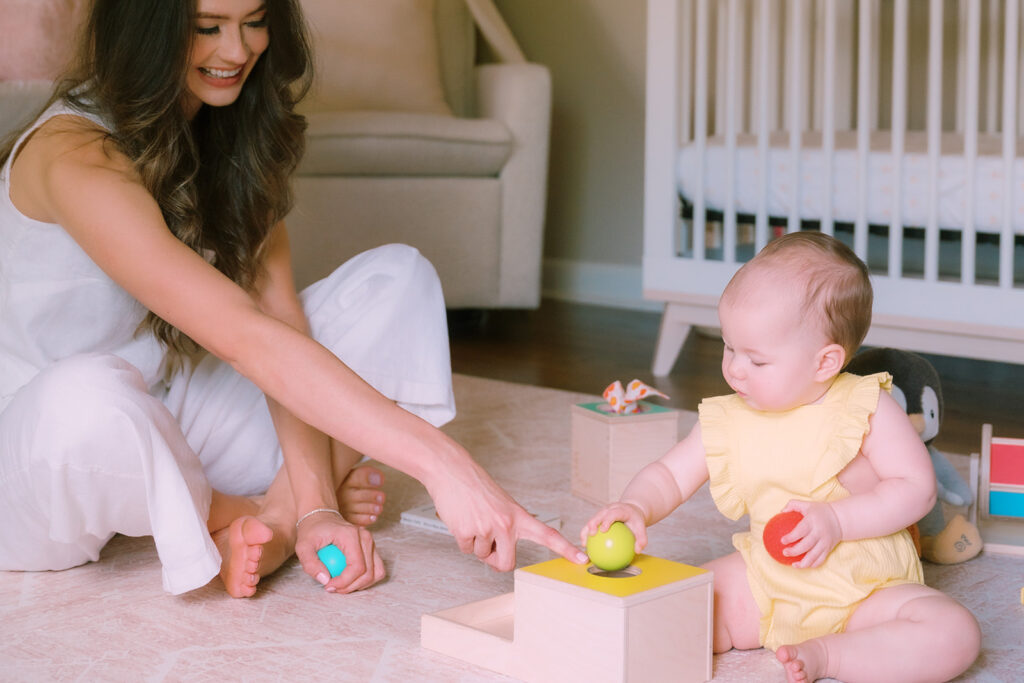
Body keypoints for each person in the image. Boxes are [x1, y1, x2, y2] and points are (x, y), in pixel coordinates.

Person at [0, 0, 587, 599]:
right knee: (83, 396)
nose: (237, 51)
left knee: (400, 279)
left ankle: (274, 522)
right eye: (207, 28)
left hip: (173, 413)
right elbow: (244, 337)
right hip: (36, 463)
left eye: (253, 21)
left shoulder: (228, 135)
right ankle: (232, 509)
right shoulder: (75, 156)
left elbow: (278, 322)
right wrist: (448, 468)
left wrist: (313, 509)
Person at [581, 232, 981, 682]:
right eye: (729, 347)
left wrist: (837, 522)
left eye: (757, 359)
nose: (734, 368)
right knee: (674, 602)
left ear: (824, 363)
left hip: (868, 591)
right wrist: (636, 506)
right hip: (765, 584)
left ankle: (833, 656)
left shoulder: (866, 406)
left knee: (954, 633)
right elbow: (669, 476)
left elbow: (916, 489)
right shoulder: (729, 417)